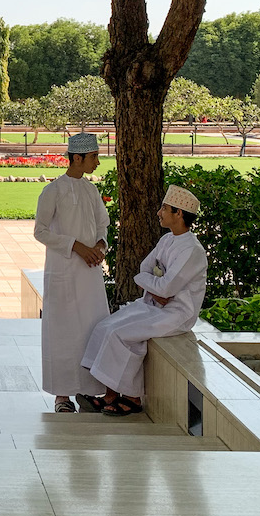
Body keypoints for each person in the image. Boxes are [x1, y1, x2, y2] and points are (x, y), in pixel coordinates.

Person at [80, 185, 208, 416]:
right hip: (154, 304)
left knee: (119, 334)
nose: (159, 213)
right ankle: (110, 395)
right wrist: (153, 286)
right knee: (105, 326)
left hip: (177, 313)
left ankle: (132, 398)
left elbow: (166, 288)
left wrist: (154, 286)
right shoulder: (167, 240)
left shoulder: (192, 250)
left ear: (179, 213)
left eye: (164, 208)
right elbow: (143, 270)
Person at [34, 133, 111, 414]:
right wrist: (76, 246)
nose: (97, 162)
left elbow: (103, 224)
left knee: (90, 329)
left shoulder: (91, 191)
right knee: (63, 331)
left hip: (90, 274)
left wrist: (100, 245)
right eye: (94, 157)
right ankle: (62, 395)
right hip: (63, 272)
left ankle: (89, 390)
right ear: (77, 158)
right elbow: (40, 231)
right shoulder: (53, 191)